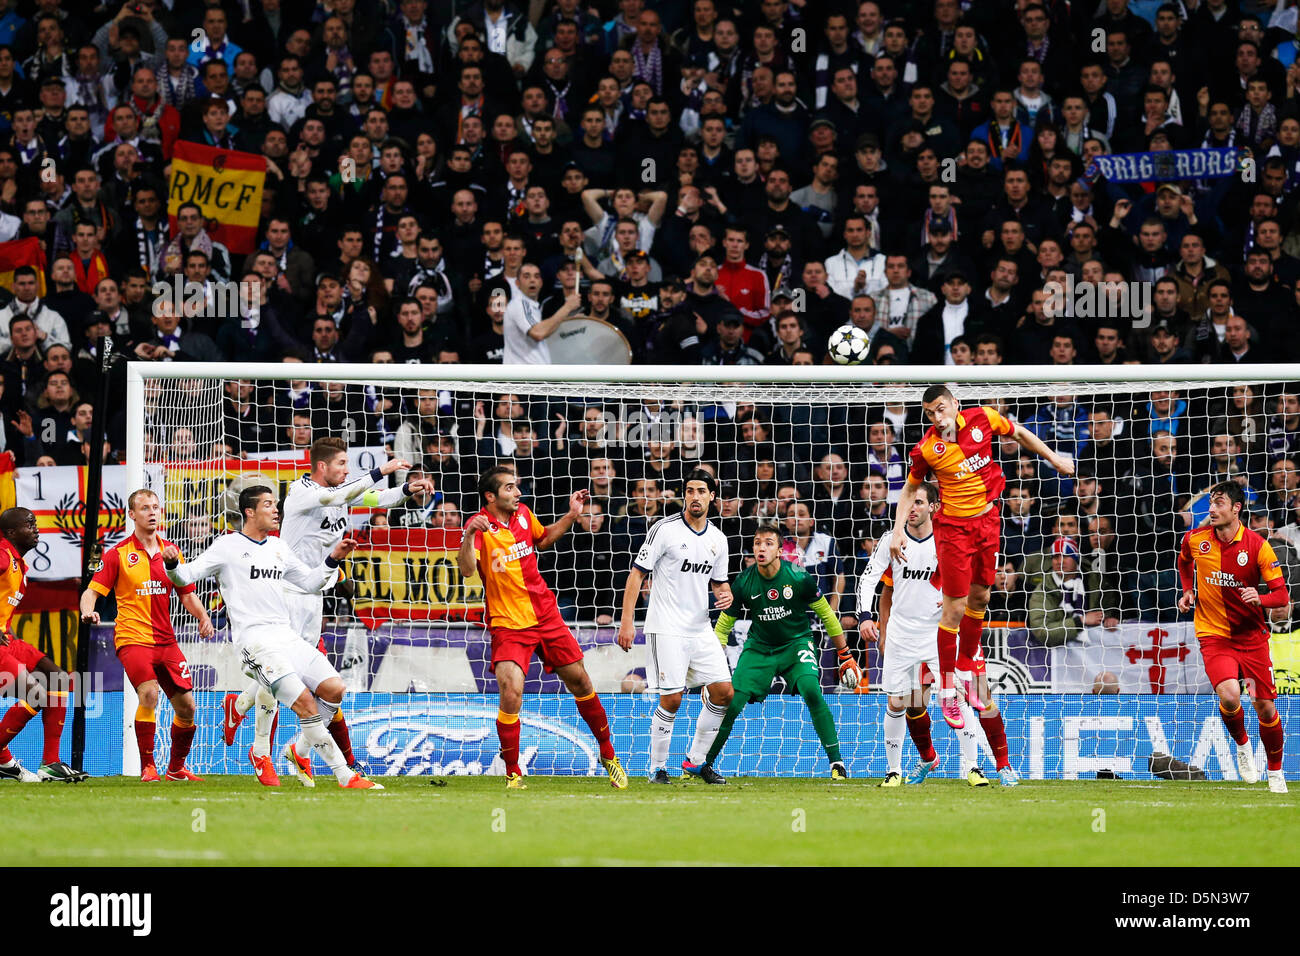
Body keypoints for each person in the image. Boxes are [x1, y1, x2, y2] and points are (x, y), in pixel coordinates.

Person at [889, 385, 1073, 785]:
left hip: (988, 522)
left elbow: (1020, 433)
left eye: (941, 409)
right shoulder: (926, 449)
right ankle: (947, 693)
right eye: (929, 413)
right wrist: (897, 530)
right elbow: (909, 489)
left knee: (982, 599)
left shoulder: (983, 419)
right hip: (953, 533)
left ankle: (996, 751)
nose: (937, 418)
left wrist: (1054, 458)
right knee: (952, 612)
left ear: (955, 404)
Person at [222, 439, 429, 784]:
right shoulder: (302, 493)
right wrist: (381, 470)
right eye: (342, 464)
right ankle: (261, 751)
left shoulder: (341, 494)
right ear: (322, 467)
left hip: (313, 593)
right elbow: (336, 496)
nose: (347, 470)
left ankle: (257, 721)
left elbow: (380, 498)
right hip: (286, 591)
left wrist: (407, 488)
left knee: (309, 681)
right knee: (280, 672)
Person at [163, 486, 379, 790]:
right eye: (268, 505)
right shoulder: (227, 546)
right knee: (305, 702)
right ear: (249, 512)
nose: (275, 510)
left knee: (334, 689)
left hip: (286, 635)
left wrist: (333, 558)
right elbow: (185, 576)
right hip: (255, 641)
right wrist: (172, 565)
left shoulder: (278, 547)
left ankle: (287, 746)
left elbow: (308, 582)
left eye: (275, 504)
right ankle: (345, 775)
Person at [457, 465, 627, 789]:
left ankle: (608, 754)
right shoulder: (478, 528)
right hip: (508, 624)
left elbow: (544, 538)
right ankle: (513, 774)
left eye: (516, 487)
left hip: (546, 614)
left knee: (580, 681)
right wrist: (467, 536)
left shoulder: (523, 514)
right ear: (490, 496)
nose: (517, 493)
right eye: (509, 488)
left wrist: (572, 515)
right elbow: (467, 570)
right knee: (511, 693)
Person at [704, 523, 861, 780]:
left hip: (796, 644)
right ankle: (704, 764)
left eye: (768, 543)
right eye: (757, 543)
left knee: (812, 690)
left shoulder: (799, 577)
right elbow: (722, 628)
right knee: (731, 704)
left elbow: (827, 616)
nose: (761, 548)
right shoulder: (743, 582)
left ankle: (837, 764)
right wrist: (711, 669)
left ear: (779, 550)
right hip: (758, 649)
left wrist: (844, 653)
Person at [79, 489, 215, 782]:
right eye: (144, 508)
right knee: (150, 693)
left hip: (166, 641)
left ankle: (176, 769)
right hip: (132, 638)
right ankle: (148, 767)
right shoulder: (118, 554)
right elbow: (91, 591)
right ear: (132, 515)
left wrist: (203, 617)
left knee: (187, 707)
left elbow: (187, 595)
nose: (152, 512)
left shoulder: (171, 551)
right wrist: (87, 611)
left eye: (155, 507)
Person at [856, 481, 986, 787]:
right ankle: (893, 771)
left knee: (955, 697)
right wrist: (865, 616)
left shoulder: (946, 540)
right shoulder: (892, 539)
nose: (911, 509)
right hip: (901, 633)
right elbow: (868, 580)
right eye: (908, 503)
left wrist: (957, 596)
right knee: (897, 702)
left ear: (933, 507)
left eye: (918, 503)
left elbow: (971, 576)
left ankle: (972, 767)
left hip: (938, 633)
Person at [616, 469, 734, 784]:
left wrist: (726, 595)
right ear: (684, 495)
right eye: (690, 491)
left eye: (701, 491)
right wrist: (628, 622)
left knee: (724, 693)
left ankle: (696, 761)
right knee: (672, 698)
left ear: (712, 495)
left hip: (700, 628)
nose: (695, 497)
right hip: (666, 627)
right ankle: (656, 768)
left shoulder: (718, 539)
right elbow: (636, 574)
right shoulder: (664, 529)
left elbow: (720, 584)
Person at [1176, 481, 1289, 794]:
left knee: (1264, 706)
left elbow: (1281, 596)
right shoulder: (1196, 539)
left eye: (1219, 503)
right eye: (1211, 503)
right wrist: (1188, 590)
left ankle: (1276, 772)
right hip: (1213, 634)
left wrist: (1260, 598)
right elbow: (1184, 561)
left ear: (1236, 508)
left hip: (1252, 637)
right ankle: (1242, 745)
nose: (1211, 509)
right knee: (1229, 695)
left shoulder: (1258, 546)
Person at [0, 507, 89, 782]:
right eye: (29, 524)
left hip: (7, 640)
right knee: (36, 694)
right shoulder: (2, 555)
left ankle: (50, 762)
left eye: (35, 522)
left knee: (60, 680)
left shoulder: (19, 565)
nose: (35, 528)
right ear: (12, 532)